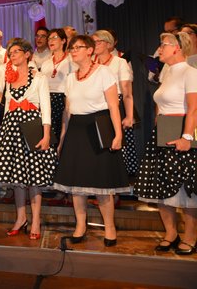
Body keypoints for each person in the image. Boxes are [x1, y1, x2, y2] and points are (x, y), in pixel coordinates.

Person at [52, 35, 130, 247]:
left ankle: (110, 227)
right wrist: (61, 139)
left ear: (90, 50)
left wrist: (118, 134)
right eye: (72, 48)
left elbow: (114, 106)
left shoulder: (104, 72)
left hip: (98, 128)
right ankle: (80, 226)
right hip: (76, 130)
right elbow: (67, 113)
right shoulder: (70, 78)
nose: (73, 51)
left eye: (78, 47)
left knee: (101, 184)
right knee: (77, 186)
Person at [135, 31, 197, 255]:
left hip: (181, 129)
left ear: (177, 48)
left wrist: (187, 137)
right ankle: (171, 232)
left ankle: (191, 236)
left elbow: (194, 109)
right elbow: (160, 103)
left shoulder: (190, 73)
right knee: (159, 184)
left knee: (185, 188)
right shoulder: (168, 72)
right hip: (163, 130)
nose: (159, 48)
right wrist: (157, 128)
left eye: (164, 44)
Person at [0, 39, 54, 240]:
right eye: (11, 52)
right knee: (16, 179)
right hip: (11, 128)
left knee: (33, 177)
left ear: (27, 54)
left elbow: (46, 108)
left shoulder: (40, 77)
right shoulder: (8, 77)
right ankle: (21, 218)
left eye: (17, 52)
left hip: (31, 126)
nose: (12, 55)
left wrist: (47, 134)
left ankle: (35, 220)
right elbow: (6, 108)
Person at [92, 30, 138, 176]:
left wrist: (129, 116)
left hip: (116, 106)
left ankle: (117, 189)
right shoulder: (91, 63)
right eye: (92, 42)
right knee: (99, 147)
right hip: (96, 106)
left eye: (98, 41)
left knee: (117, 147)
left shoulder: (120, 62)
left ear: (108, 44)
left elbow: (127, 92)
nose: (94, 45)